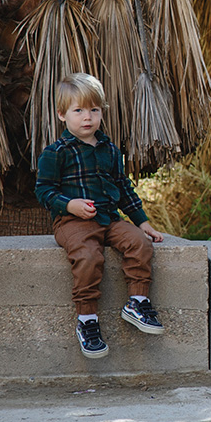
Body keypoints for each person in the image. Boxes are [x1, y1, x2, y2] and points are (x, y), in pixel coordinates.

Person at [35, 72, 165, 359]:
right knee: (89, 257)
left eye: (94, 110)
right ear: (62, 114)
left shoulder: (110, 151)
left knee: (139, 244)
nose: (87, 117)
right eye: (78, 110)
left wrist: (143, 222)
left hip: (109, 219)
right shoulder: (56, 153)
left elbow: (124, 188)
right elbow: (44, 191)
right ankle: (87, 320)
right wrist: (70, 205)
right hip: (72, 222)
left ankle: (137, 302)